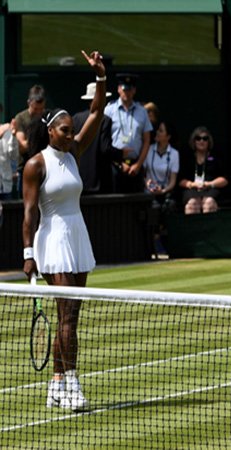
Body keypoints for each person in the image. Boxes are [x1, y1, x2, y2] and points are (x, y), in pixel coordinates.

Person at [22, 50, 107, 411]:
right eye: (65, 130)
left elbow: (99, 112)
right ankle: (71, 384)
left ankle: (55, 384)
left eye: (73, 130)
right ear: (50, 132)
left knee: (71, 315)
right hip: (52, 238)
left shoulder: (73, 151)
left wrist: (101, 78)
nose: (71, 134)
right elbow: (28, 213)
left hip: (77, 234)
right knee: (67, 316)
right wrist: (27, 253)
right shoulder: (35, 164)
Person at [104, 73, 153, 193]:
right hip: (115, 165)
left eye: (130, 89)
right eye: (124, 89)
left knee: (135, 204)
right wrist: (119, 163)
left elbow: (147, 140)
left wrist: (138, 164)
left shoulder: (142, 112)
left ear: (134, 90)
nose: (127, 92)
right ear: (119, 89)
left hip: (135, 165)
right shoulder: (109, 110)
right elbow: (104, 140)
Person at [72, 82, 121, 194]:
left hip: (79, 181)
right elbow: (105, 149)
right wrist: (121, 154)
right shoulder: (105, 120)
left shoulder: (75, 118)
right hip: (99, 182)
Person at [143, 120, 179, 255]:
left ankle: (165, 242)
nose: (157, 133)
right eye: (157, 130)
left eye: (161, 131)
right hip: (150, 191)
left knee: (169, 206)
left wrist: (163, 190)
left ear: (168, 136)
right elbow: (145, 175)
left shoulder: (174, 154)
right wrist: (149, 184)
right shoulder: (149, 150)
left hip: (166, 191)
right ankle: (153, 243)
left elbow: (173, 181)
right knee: (153, 207)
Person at [178, 126, 228, 214]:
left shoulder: (215, 158)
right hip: (192, 189)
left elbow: (224, 180)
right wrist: (192, 184)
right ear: (194, 141)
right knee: (192, 204)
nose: (201, 141)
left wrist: (209, 184)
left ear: (209, 141)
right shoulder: (188, 158)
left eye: (205, 139)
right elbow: (180, 180)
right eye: (198, 138)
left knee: (208, 203)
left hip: (210, 189)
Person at [14, 85, 46, 197]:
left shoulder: (46, 116)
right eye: (35, 109)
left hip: (46, 167)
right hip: (25, 167)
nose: (38, 112)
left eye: (41, 109)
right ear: (29, 103)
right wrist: (40, 141)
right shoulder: (21, 118)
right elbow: (22, 147)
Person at [0, 119, 18, 200]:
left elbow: (13, 156)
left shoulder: (7, 130)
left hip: (6, 184)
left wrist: (13, 135)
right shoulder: (3, 130)